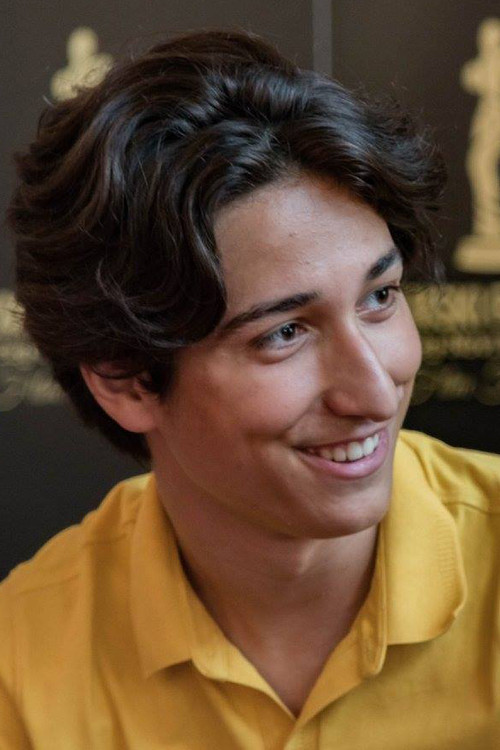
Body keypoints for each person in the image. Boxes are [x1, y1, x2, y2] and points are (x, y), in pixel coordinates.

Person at [2, 28, 500, 749]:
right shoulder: (22, 660)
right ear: (125, 379)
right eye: (284, 333)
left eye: (380, 297)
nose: (374, 392)